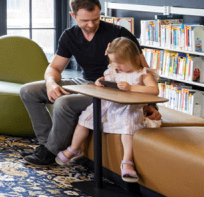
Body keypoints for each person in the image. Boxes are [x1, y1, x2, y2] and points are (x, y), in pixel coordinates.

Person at [19, 0, 161, 166]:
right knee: (28, 91)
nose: (92, 24)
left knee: (63, 104)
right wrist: (50, 83)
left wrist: (150, 104)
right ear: (73, 16)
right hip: (85, 83)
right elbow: (54, 68)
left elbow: (143, 71)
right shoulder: (69, 36)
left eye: (96, 18)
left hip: (110, 90)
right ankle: (46, 145)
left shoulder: (119, 34)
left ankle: (50, 151)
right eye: (85, 20)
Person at [55, 37, 161, 182]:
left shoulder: (142, 74)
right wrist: (101, 82)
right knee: (85, 119)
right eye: (114, 62)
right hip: (109, 105)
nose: (117, 66)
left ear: (135, 59)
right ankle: (74, 148)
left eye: (121, 63)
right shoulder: (114, 70)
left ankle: (127, 161)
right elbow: (107, 79)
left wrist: (132, 88)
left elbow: (154, 90)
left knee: (128, 127)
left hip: (128, 109)